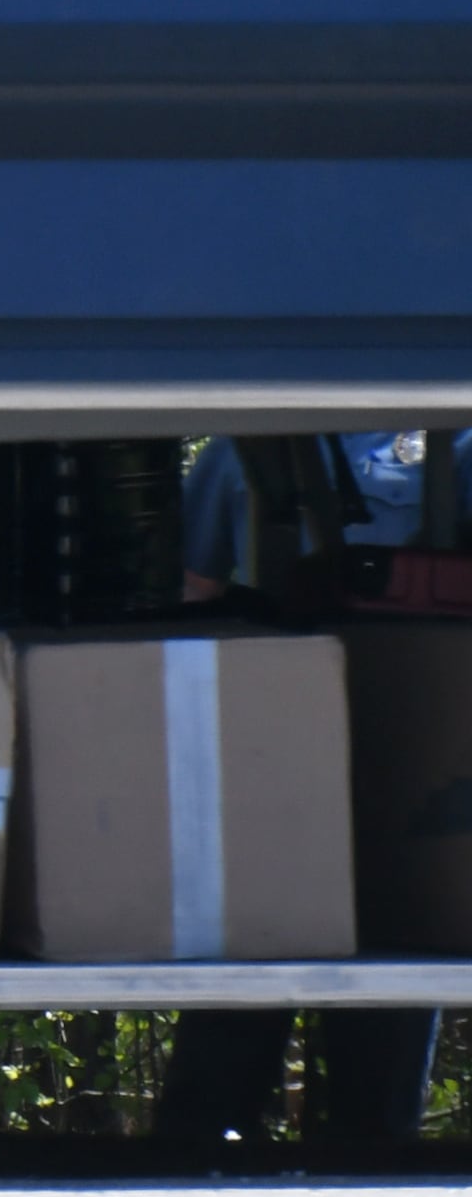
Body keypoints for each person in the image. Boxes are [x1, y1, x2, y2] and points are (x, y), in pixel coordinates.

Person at [167, 432, 446, 1144]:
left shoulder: (455, 445)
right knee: (265, 954)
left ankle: (215, 1152)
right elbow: (195, 591)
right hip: (365, 752)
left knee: (358, 957)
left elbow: (193, 599)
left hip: (372, 754)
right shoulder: (243, 446)